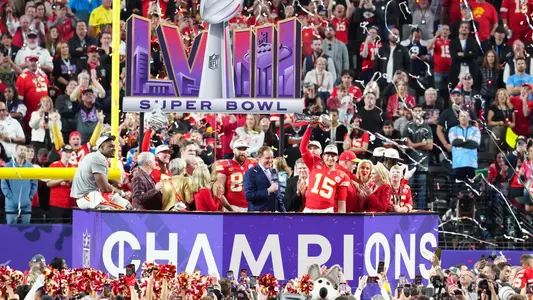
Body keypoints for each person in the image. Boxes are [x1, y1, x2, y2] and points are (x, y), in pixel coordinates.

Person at [70, 134, 132, 210]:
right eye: (110, 146)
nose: (114, 149)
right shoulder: (98, 158)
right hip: (88, 197)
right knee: (123, 207)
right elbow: (104, 188)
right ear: (102, 147)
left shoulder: (95, 156)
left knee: (122, 202)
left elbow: (106, 183)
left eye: (114, 146)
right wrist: (122, 193)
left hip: (91, 195)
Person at [214, 139, 257, 212]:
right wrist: (230, 209)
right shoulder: (225, 165)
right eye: (239, 149)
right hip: (232, 206)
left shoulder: (253, 163)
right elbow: (218, 192)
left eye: (244, 149)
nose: (242, 152)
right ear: (233, 150)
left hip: (251, 206)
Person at [0, 144, 38, 224]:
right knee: (11, 230)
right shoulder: (8, 166)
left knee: (25, 230)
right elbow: (4, 185)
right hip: (11, 205)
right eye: (21, 149)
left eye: (25, 150)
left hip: (26, 204)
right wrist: (11, 197)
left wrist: (29, 197)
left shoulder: (30, 167)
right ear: (15, 152)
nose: (23, 151)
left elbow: (34, 183)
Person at [243, 146, 286, 212]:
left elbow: (278, 196)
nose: (270, 160)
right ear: (259, 158)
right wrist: (268, 190)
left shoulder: (274, 172)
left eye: (272, 158)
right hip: (258, 215)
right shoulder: (251, 173)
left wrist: (284, 213)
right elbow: (249, 195)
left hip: (274, 215)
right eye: (267, 158)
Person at [449, 110, 481, 184]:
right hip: (458, 164)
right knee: (458, 192)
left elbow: (475, 144)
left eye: (465, 116)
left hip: (471, 164)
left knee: (472, 191)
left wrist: (461, 142)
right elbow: (454, 142)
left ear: (469, 118)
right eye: (461, 116)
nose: (463, 118)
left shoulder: (475, 130)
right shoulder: (453, 129)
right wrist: (468, 141)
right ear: (458, 118)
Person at [46, 145, 75, 223]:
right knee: (57, 229)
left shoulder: (73, 167)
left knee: (69, 229)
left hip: (69, 203)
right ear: (61, 153)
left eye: (69, 153)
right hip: (56, 203)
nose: (68, 154)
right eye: (66, 152)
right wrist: (62, 179)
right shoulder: (54, 165)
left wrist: (70, 182)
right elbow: (48, 183)